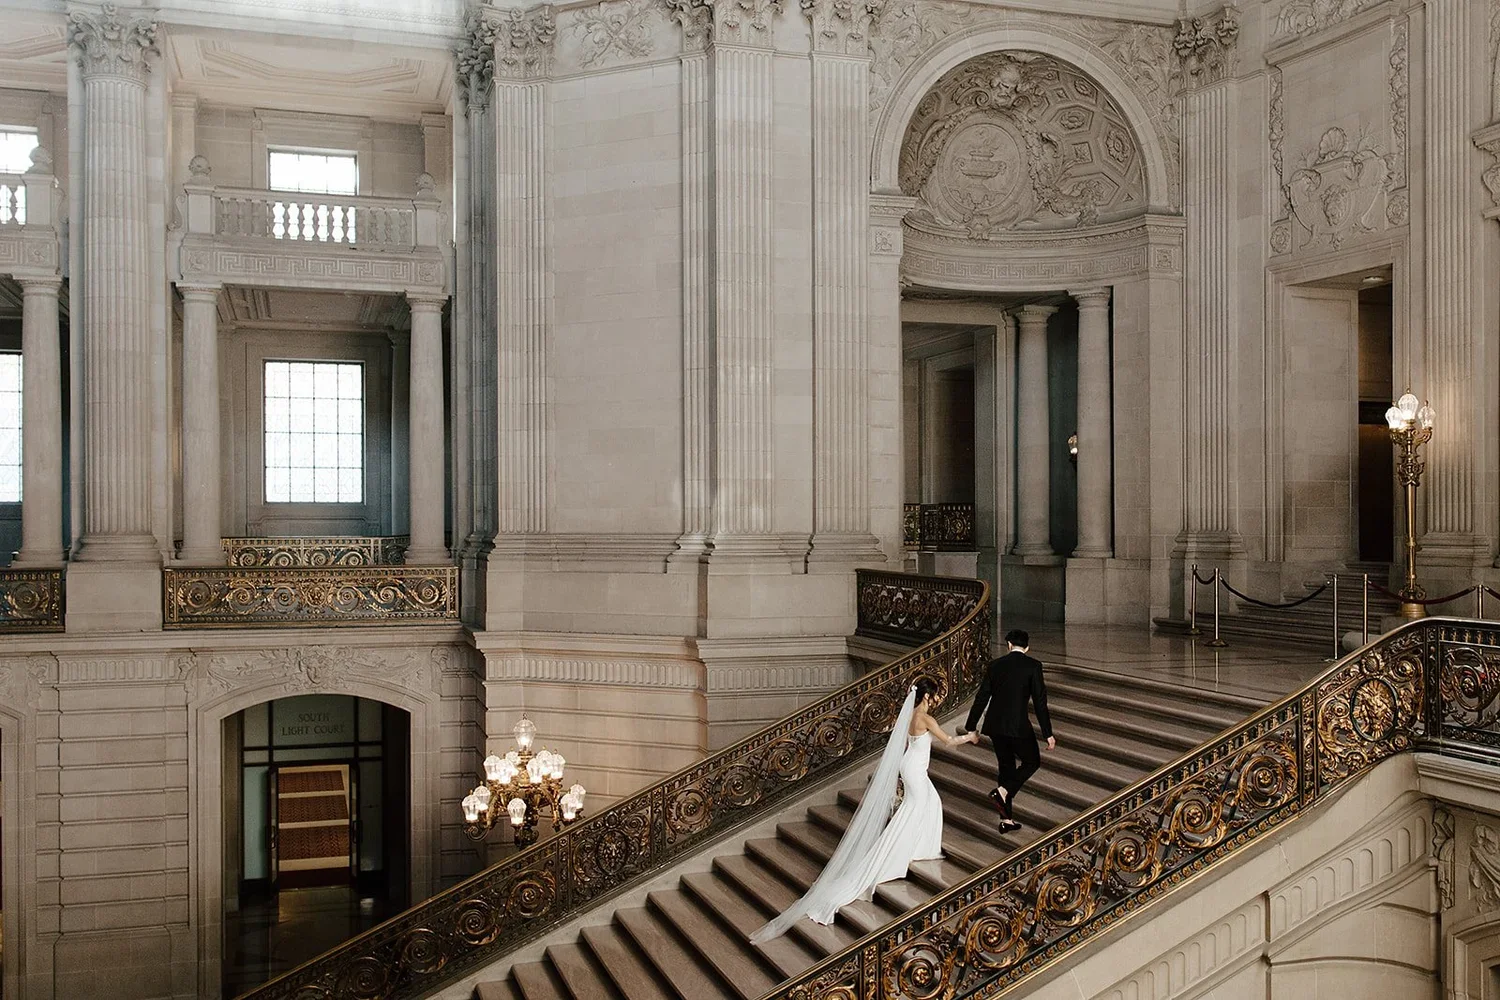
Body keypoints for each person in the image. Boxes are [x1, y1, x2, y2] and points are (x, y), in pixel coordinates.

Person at [749, 677, 977, 943]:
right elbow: (948, 741)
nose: (937, 699)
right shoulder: (925, 718)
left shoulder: (912, 715)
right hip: (915, 768)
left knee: (927, 803)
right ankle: (900, 853)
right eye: (935, 695)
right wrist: (969, 736)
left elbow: (906, 745)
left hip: (911, 765)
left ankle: (919, 847)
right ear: (927, 697)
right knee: (917, 806)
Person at [961, 629, 1054, 834]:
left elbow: (982, 697)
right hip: (1018, 726)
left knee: (1006, 768)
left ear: (1009, 645)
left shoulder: (995, 665)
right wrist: (1048, 733)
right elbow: (1040, 702)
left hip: (995, 726)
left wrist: (971, 726)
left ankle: (1006, 820)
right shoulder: (1033, 666)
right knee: (1032, 762)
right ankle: (1002, 792)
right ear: (1027, 648)